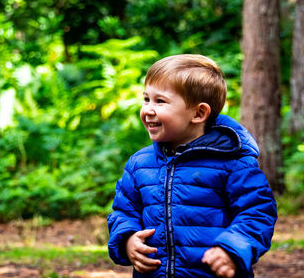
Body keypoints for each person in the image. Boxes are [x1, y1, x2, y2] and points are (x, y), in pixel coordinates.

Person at [107, 54, 277, 278]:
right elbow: (123, 211)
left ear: (198, 113)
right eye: (146, 99)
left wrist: (232, 249)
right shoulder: (139, 164)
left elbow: (257, 212)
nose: (148, 109)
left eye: (160, 101)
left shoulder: (233, 163)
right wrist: (127, 238)